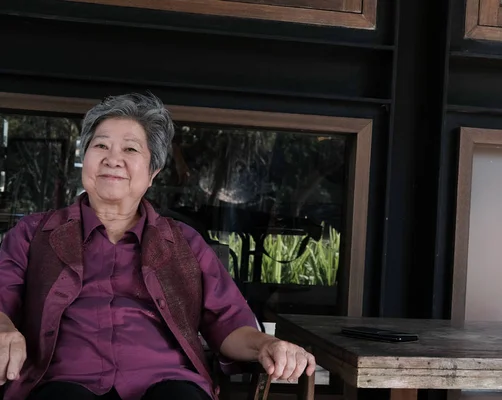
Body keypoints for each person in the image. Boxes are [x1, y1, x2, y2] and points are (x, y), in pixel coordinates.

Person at [0, 93, 316, 400]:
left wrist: (266, 344)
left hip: (168, 381)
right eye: (101, 145)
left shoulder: (185, 243)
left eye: (130, 149)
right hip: (61, 380)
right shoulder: (33, 234)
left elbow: (229, 322)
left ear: (153, 172)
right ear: (86, 158)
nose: (113, 158)